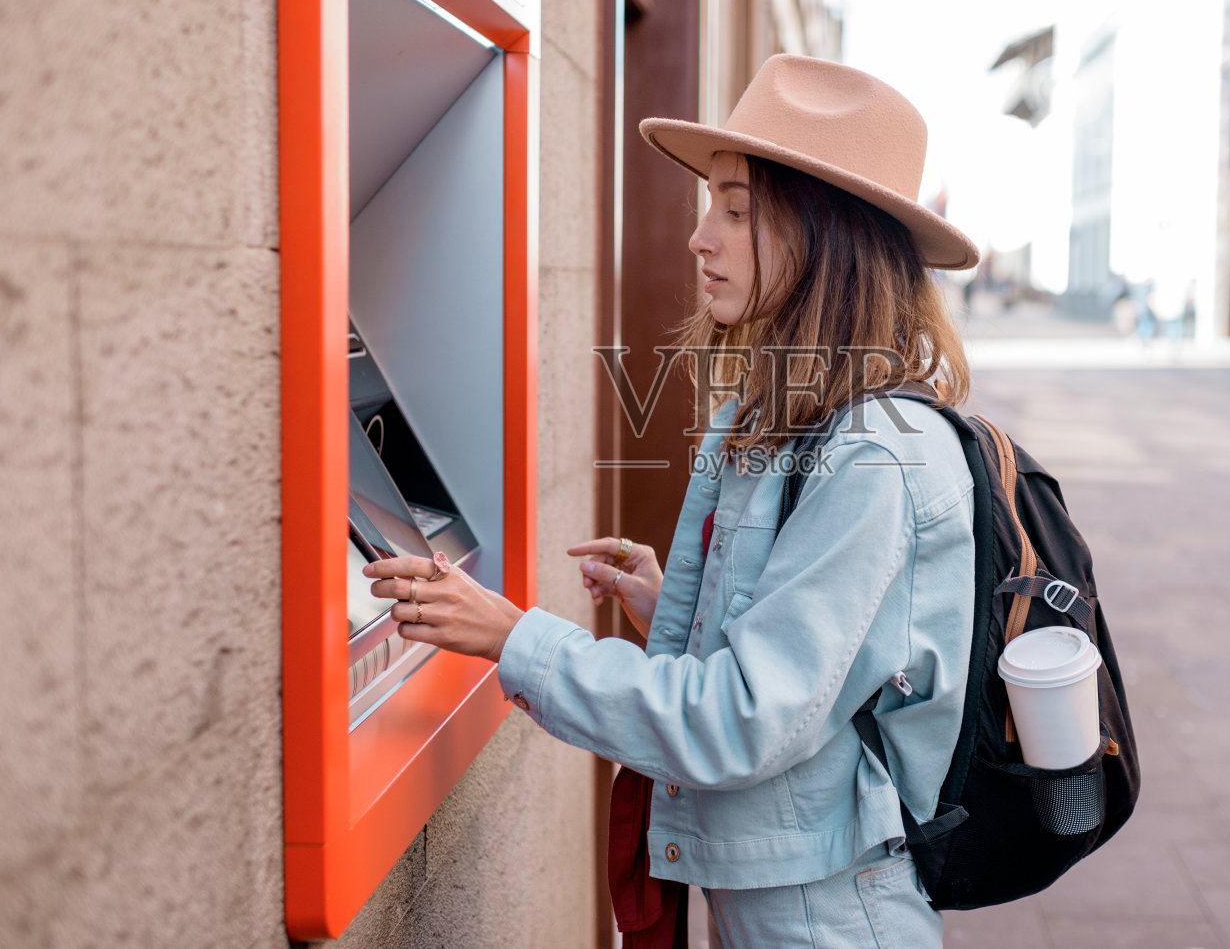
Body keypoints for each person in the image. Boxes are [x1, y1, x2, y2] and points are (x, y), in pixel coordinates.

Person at [361, 55, 980, 947]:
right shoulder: (784, 416)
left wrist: (513, 637)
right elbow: (817, 665)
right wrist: (675, 612)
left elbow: (741, 719)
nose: (700, 238)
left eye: (735, 211)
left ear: (825, 237)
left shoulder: (874, 457)